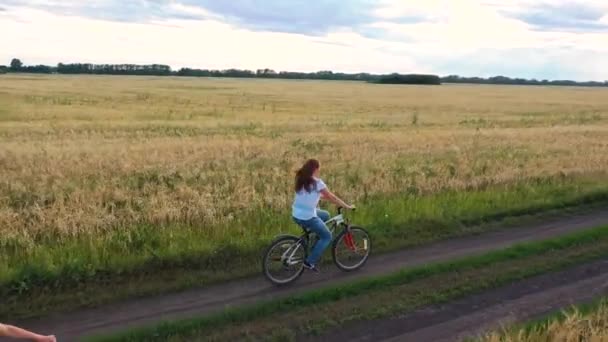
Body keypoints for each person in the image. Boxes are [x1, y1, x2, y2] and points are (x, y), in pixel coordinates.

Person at [292, 159, 354, 272]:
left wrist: (324, 198)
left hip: (296, 214)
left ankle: (315, 243)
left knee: (325, 215)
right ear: (315, 169)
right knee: (327, 237)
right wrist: (346, 206)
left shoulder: (302, 179)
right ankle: (309, 262)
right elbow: (332, 197)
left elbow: (314, 195)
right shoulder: (317, 182)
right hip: (308, 217)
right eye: (319, 169)